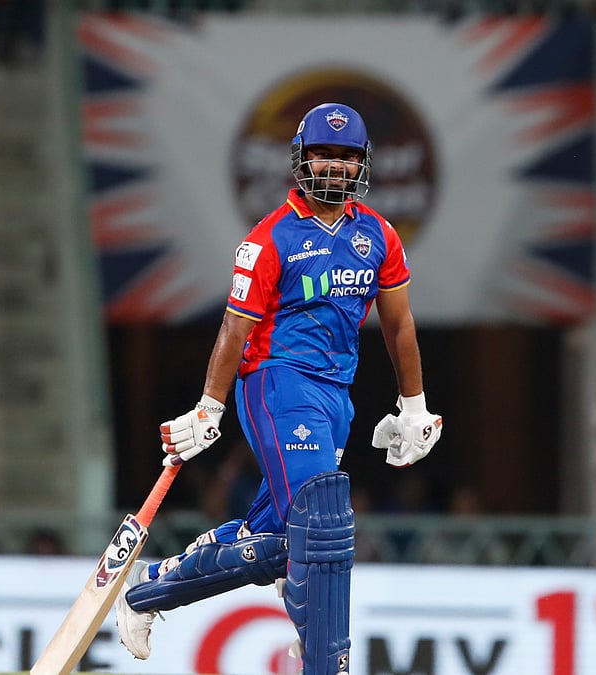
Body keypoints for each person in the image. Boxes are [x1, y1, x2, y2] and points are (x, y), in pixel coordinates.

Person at [112, 103, 443, 675]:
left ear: (362, 164)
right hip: (276, 383)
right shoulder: (270, 239)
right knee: (320, 525)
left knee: (270, 536)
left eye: (346, 157)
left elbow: (399, 323)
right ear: (300, 160)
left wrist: (413, 404)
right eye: (323, 154)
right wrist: (209, 406)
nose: (335, 168)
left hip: (336, 395)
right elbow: (234, 327)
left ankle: (150, 589)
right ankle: (320, 646)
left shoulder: (379, 235)